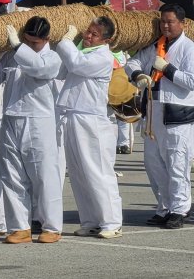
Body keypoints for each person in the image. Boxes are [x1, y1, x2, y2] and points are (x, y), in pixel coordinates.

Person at [125, 3, 194, 229]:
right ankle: (164, 207)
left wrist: (167, 69)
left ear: (182, 23)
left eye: (170, 22)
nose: (165, 26)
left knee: (176, 163)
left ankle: (179, 209)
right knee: (153, 163)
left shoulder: (189, 48)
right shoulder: (155, 45)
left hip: (177, 114)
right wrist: (138, 74)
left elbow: (192, 81)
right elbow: (132, 62)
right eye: (163, 21)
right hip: (153, 111)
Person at [0, 17, 64, 244]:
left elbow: (39, 69)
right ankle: (20, 227)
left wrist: (19, 47)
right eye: (27, 41)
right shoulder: (12, 55)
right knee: (11, 175)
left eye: (34, 43)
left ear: (46, 39)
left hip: (38, 120)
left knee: (44, 175)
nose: (30, 46)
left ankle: (51, 226)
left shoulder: (52, 58)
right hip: (10, 117)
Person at [56, 17, 123, 238]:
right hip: (72, 115)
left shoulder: (103, 57)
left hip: (92, 119)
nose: (88, 36)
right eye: (88, 31)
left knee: (98, 171)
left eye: (94, 34)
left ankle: (112, 222)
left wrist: (66, 41)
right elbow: (63, 70)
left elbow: (76, 64)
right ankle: (91, 220)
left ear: (106, 40)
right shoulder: (82, 52)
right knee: (78, 173)